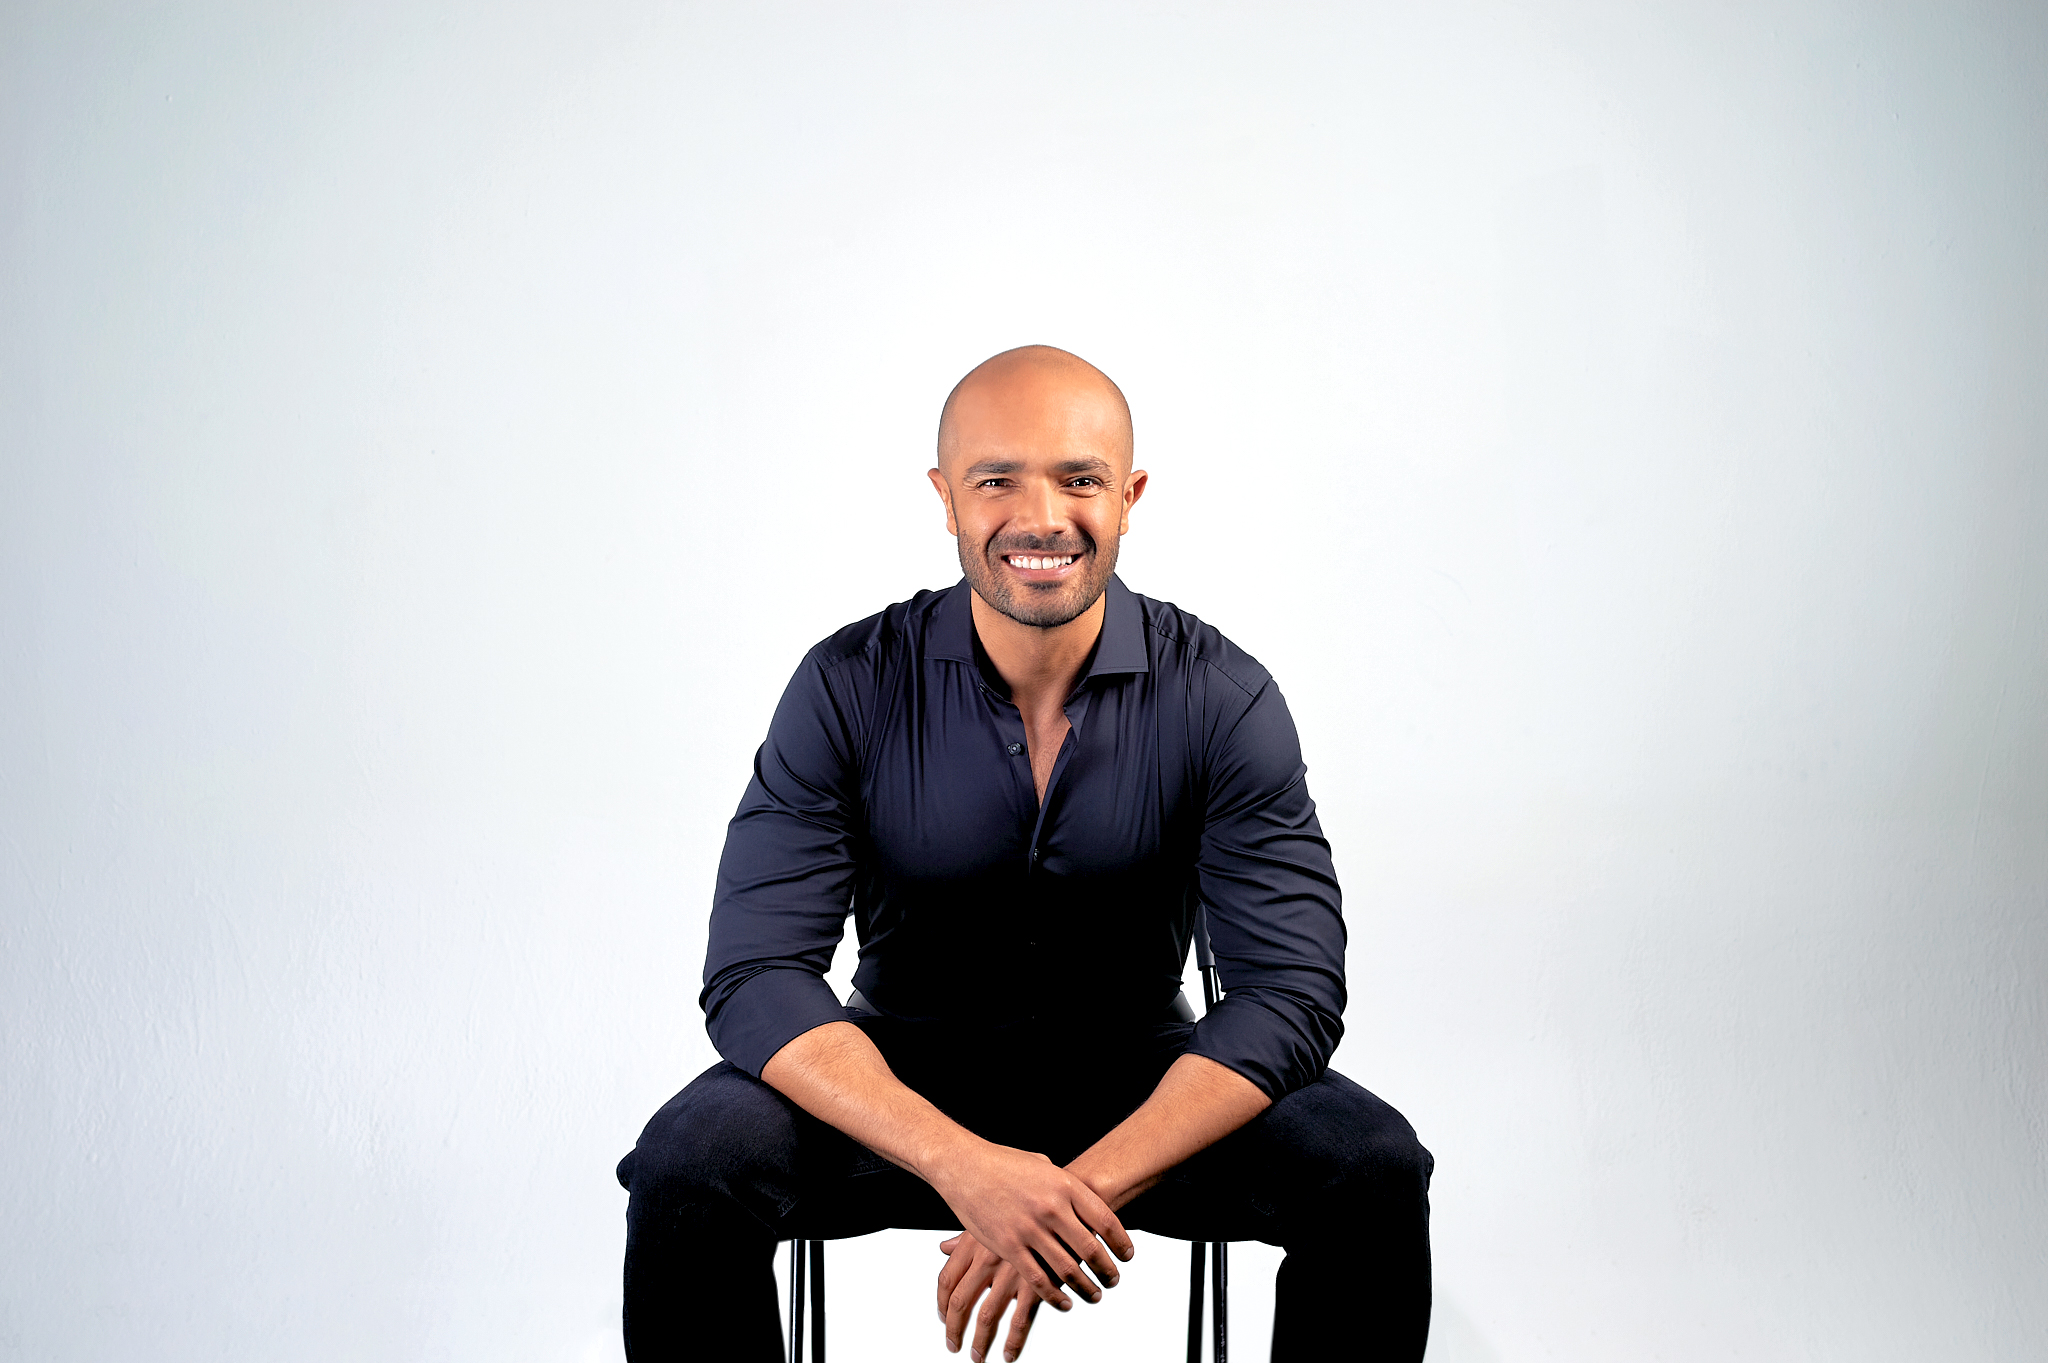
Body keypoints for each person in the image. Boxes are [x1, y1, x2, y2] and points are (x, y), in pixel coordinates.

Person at [616, 346, 1433, 1362]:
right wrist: (962, 1164)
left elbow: (1289, 993)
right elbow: (756, 975)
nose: (1040, 516)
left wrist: (1071, 1190)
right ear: (946, 498)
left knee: (1370, 1164)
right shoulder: (848, 683)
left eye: (1079, 479)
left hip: (1146, 1083)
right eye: (997, 479)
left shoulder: (1223, 697)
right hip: (895, 1082)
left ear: (1130, 496)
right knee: (689, 1161)